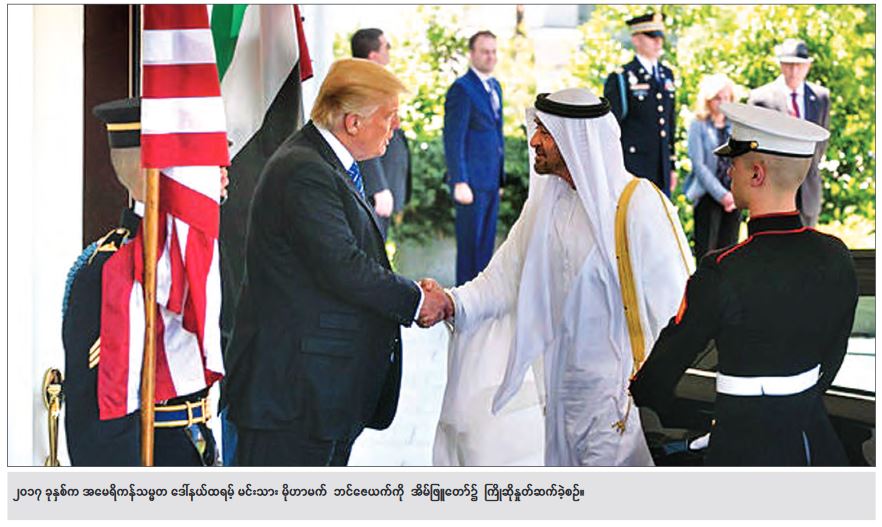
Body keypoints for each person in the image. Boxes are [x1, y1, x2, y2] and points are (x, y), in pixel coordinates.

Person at [427, 88, 692, 466]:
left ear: (577, 139)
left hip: (621, 405)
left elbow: (676, 310)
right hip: (561, 397)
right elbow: (503, 278)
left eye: (546, 132)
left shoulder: (637, 205)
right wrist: (450, 303)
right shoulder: (545, 206)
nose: (534, 140)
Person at [221, 59, 451, 466]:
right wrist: (417, 300)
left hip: (318, 397)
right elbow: (343, 266)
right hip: (293, 399)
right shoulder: (304, 170)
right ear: (353, 122)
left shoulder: (324, 164)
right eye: (389, 116)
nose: (396, 126)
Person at [630, 102, 857, 466]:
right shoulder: (836, 255)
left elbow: (658, 379)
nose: (728, 171)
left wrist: (651, 398)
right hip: (816, 446)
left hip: (743, 450)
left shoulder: (723, 270)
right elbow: (833, 355)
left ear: (756, 173)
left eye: (733, 163)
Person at [62, 98, 226, 466]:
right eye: (205, 159)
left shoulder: (199, 254)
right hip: (149, 453)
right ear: (163, 171)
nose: (224, 170)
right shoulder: (110, 268)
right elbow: (99, 416)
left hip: (194, 442)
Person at [443, 30, 505, 285]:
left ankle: (482, 301)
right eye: (485, 51)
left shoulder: (495, 86)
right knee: (470, 249)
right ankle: (464, 303)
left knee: (485, 249)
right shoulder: (462, 89)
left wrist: (499, 180)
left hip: (491, 181)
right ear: (472, 54)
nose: (490, 56)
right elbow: (453, 138)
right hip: (470, 184)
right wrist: (459, 181)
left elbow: (496, 134)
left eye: (494, 51)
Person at [748, 38, 830, 227]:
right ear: (780, 65)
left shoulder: (820, 98)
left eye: (799, 66)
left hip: (808, 189)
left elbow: (822, 141)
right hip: (773, 190)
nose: (794, 71)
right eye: (788, 65)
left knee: (807, 243)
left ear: (808, 66)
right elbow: (754, 145)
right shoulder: (761, 99)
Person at [603, 12, 677, 196]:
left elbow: (669, 122)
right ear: (636, 39)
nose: (658, 42)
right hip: (634, 167)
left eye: (660, 37)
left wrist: (671, 165)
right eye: (652, 37)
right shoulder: (622, 77)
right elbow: (610, 127)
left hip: (661, 167)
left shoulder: (667, 75)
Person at [351, 28, 412, 239]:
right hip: (373, 190)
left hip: (382, 181)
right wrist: (378, 187)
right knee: (370, 247)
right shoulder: (364, 87)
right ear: (373, 55)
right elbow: (364, 136)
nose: (390, 51)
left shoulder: (374, 84)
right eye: (387, 46)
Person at [683, 74, 742, 261]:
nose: (722, 102)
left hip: (734, 197)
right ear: (708, 100)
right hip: (707, 196)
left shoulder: (737, 127)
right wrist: (722, 195)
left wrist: (733, 195)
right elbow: (699, 165)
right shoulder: (698, 125)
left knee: (729, 255)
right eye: (718, 98)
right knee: (707, 255)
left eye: (727, 98)